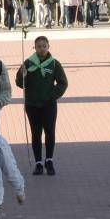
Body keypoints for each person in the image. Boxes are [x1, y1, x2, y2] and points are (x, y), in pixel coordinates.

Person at [15, 36, 68, 176]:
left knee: (50, 131)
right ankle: (38, 162)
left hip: (48, 104)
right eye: (39, 46)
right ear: (35, 48)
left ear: (48, 47)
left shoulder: (54, 64)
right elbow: (20, 83)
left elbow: (63, 83)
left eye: (44, 46)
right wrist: (22, 75)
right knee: (36, 133)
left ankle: (49, 160)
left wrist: (52, 95)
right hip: (32, 104)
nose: (42, 48)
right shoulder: (28, 63)